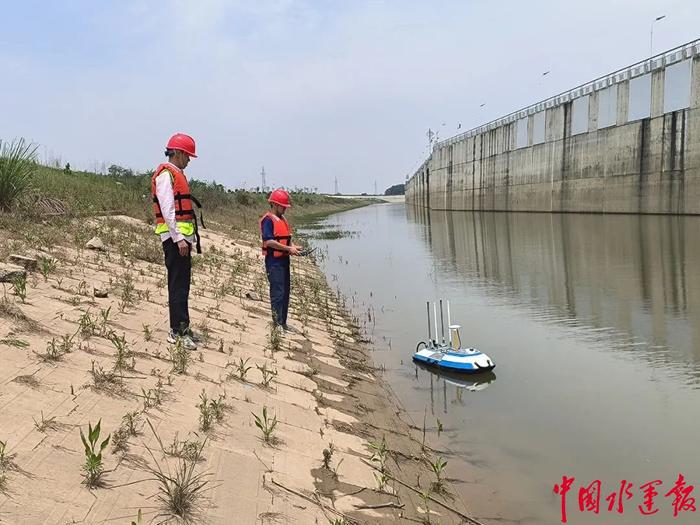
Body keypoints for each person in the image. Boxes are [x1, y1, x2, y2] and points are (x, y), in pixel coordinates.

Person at [151, 133, 202, 350]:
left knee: (183, 285)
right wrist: (179, 238)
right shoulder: (166, 175)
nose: (189, 160)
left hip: (181, 239)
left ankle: (183, 326)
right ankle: (177, 331)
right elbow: (168, 209)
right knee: (178, 285)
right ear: (178, 153)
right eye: (188, 156)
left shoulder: (176, 173)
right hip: (175, 240)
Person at [260, 188, 302, 332]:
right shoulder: (268, 220)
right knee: (277, 293)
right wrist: (288, 249)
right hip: (274, 262)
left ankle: (283, 322)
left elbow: (285, 240)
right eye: (283, 206)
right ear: (275, 205)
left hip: (284, 261)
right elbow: (269, 242)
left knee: (285, 292)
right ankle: (276, 324)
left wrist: (293, 247)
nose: (285, 209)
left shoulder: (282, 219)